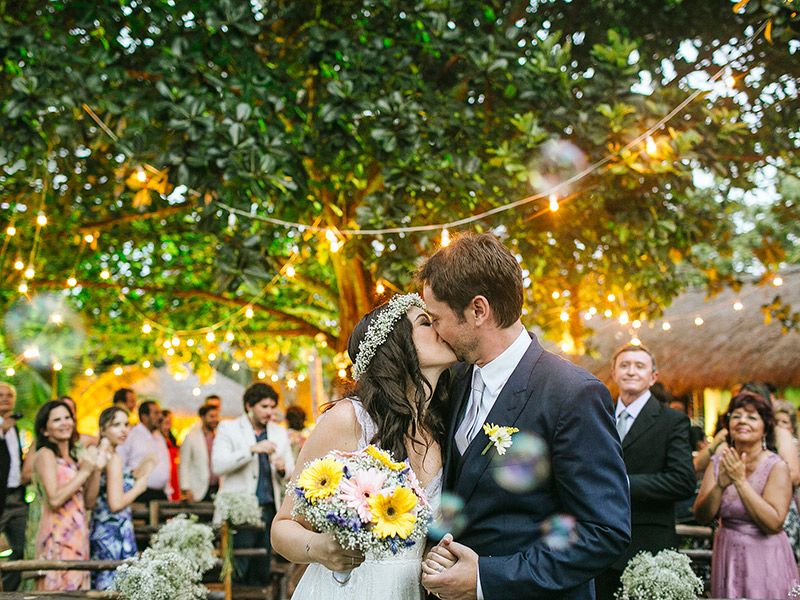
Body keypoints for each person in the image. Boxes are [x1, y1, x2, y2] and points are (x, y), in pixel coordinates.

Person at [417, 233, 630, 600]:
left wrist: (486, 579)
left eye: (436, 319)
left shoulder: (572, 393)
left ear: (478, 310)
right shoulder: (457, 380)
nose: (434, 331)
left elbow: (604, 532)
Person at [271, 293, 455, 599]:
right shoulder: (349, 419)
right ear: (395, 347)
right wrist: (319, 548)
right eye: (425, 322)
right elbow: (283, 527)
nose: (439, 327)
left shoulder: (442, 428)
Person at [594, 345, 695, 600]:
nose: (631, 371)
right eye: (625, 365)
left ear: (653, 377)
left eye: (640, 366)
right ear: (614, 373)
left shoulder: (672, 421)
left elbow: (682, 481)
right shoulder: (597, 416)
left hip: (648, 546)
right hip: (597, 543)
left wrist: (623, 484)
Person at [694, 391, 798, 599]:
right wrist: (720, 486)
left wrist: (740, 482)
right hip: (728, 552)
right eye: (736, 415)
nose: (742, 421)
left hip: (765, 556)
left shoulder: (776, 466)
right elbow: (702, 515)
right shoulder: (718, 462)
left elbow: (773, 523)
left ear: (765, 427)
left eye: (751, 417)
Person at [213, 383, 294, 585]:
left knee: (262, 567)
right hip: (241, 511)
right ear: (249, 405)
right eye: (264, 407)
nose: (270, 412)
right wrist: (251, 450)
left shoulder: (279, 432)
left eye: (272, 407)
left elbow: (291, 471)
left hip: (269, 509)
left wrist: (283, 468)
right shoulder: (229, 428)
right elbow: (218, 465)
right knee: (239, 566)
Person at [32, 400, 105, 591]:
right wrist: (83, 472)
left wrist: (95, 470)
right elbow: (54, 499)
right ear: (45, 430)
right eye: (57, 420)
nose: (65, 423)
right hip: (57, 536)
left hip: (78, 535)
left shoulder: (74, 458)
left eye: (67, 418)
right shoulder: (45, 454)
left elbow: (88, 502)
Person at [87, 406, 155, 590]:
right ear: (102, 429)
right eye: (116, 425)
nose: (124, 429)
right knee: (114, 588)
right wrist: (139, 488)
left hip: (100, 528)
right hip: (113, 531)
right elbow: (115, 503)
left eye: (126, 424)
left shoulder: (104, 453)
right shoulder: (113, 458)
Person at [0, 383, 26, 590]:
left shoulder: (14, 427)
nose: (6, 398)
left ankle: (8, 592)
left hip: (16, 496)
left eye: (10, 395)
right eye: (1, 395)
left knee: (21, 548)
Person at [118, 401, 171, 501]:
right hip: (140, 494)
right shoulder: (131, 434)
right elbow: (120, 463)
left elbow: (164, 463)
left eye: (160, 413)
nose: (160, 417)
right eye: (156, 413)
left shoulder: (159, 437)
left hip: (160, 494)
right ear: (144, 416)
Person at [180, 403, 220, 503]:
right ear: (202, 417)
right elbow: (184, 464)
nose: (215, 419)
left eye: (216, 416)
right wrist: (186, 489)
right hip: (198, 489)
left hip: (218, 488)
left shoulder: (220, 436)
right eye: (211, 416)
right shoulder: (191, 437)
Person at [161, 409, 181, 501]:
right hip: (165, 473)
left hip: (174, 473)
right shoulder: (158, 439)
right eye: (166, 422)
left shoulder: (172, 439)